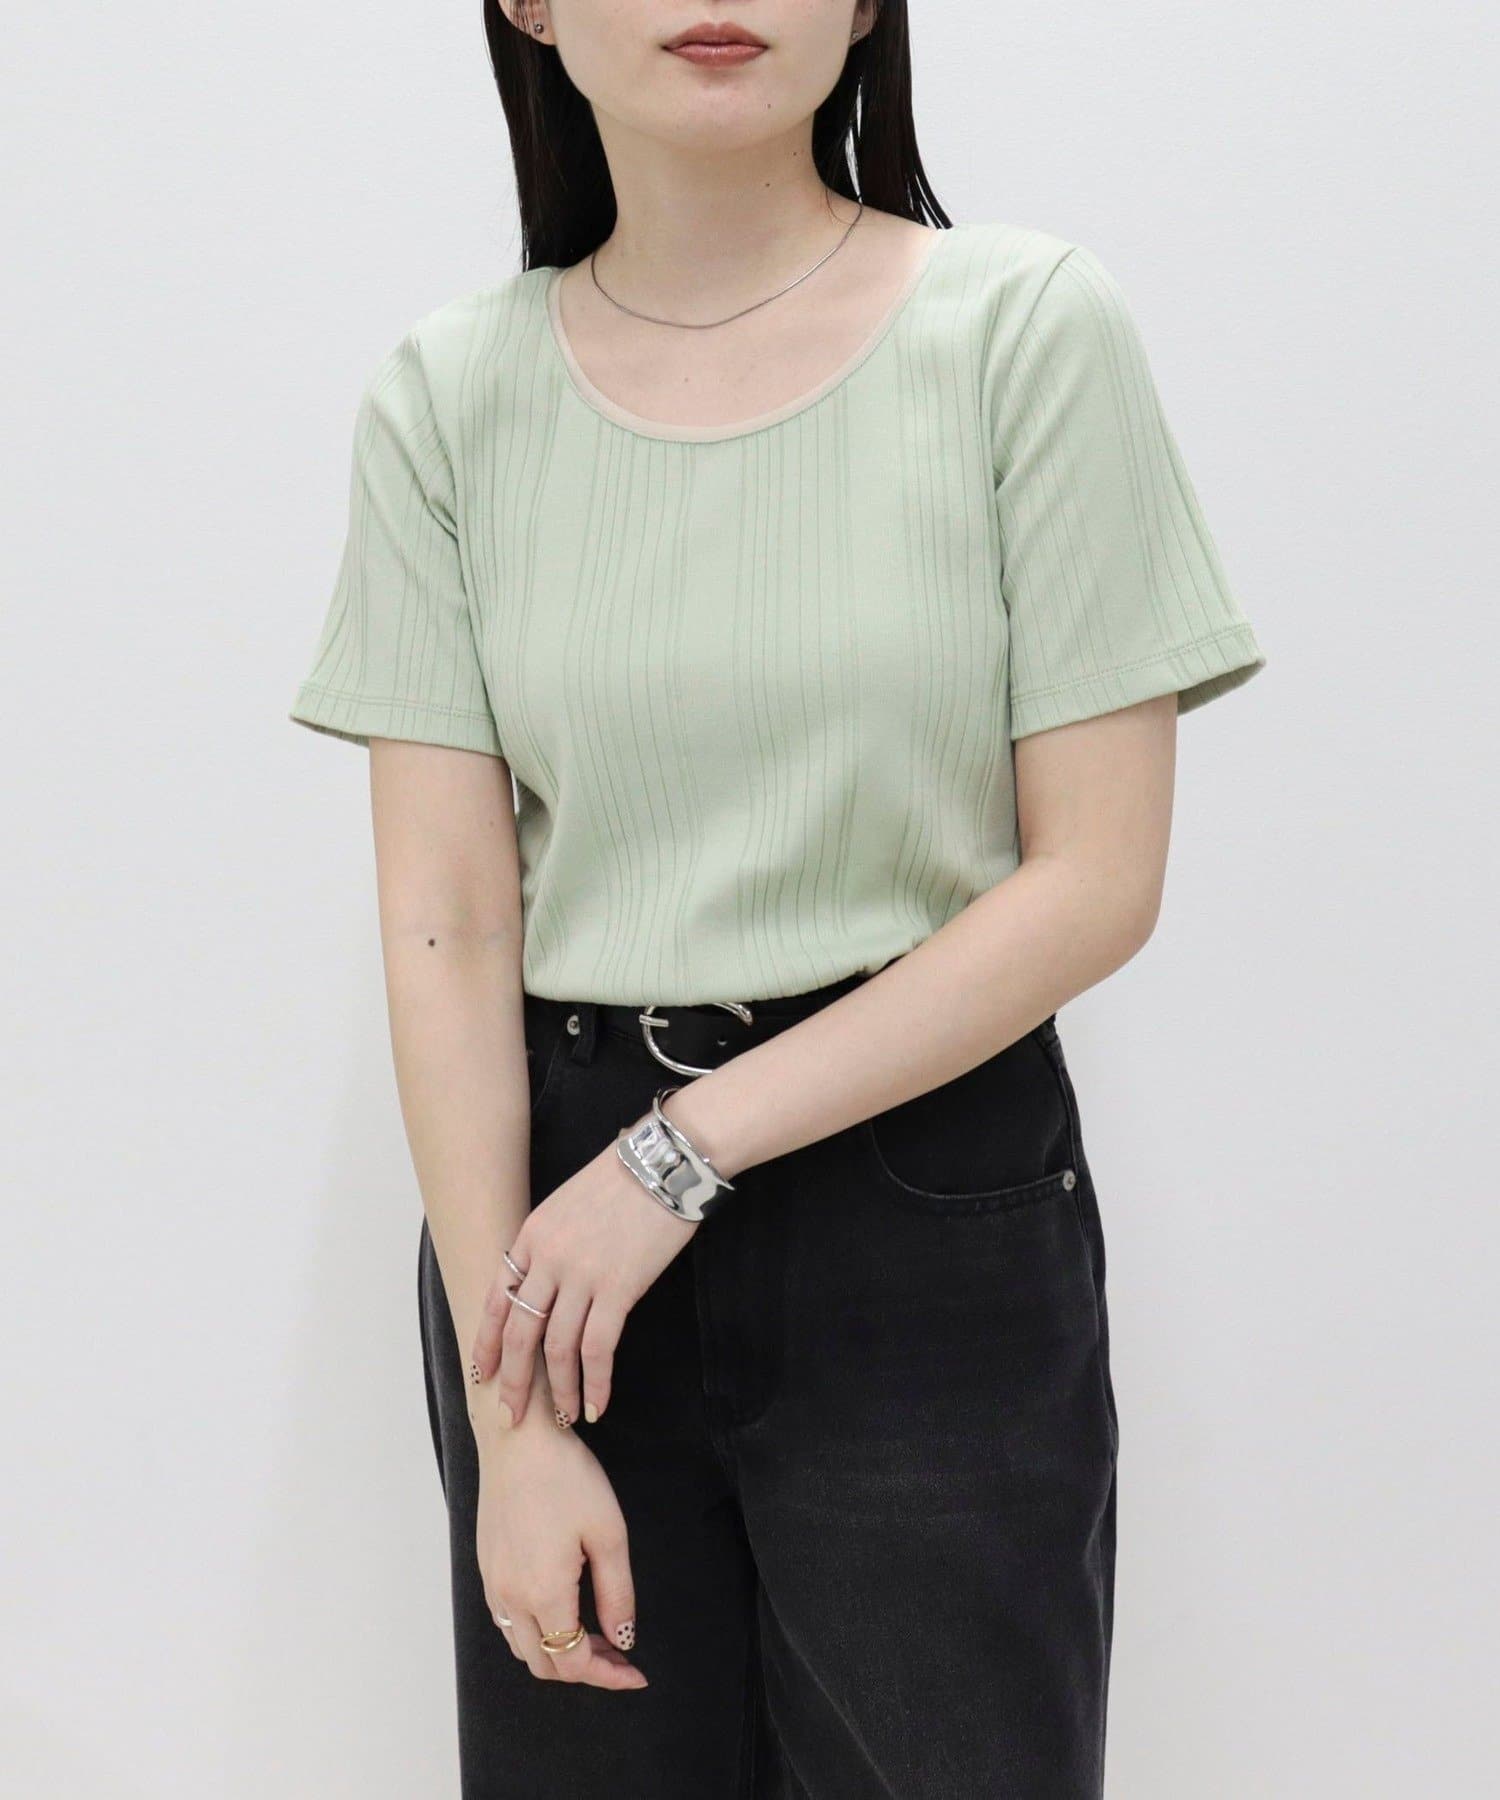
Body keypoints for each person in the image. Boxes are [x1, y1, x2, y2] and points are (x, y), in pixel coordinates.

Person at [288, 3, 1267, 1794]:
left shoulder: (1023, 329)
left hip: (919, 1192)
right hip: (549, 1245)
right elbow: (446, 923)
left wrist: (679, 1158)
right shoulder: (448, 396)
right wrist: (512, 1424)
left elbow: (1096, 880)